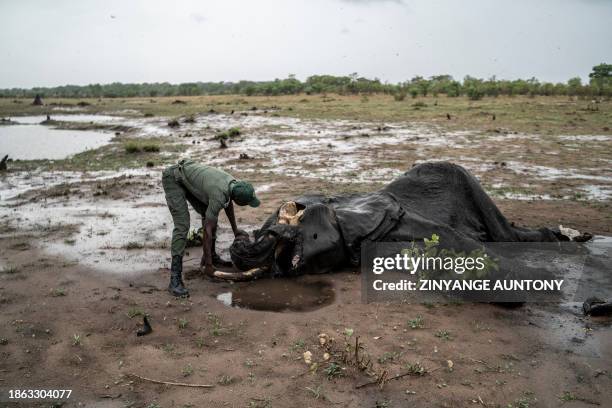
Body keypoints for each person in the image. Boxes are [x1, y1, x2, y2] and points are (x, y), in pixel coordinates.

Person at [162, 159, 260, 297]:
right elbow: (207, 230)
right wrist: (208, 266)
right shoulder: (219, 194)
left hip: (186, 176)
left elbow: (228, 204)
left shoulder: (233, 184)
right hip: (173, 177)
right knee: (182, 225)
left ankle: (211, 256)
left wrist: (235, 230)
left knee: (208, 214)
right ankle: (175, 280)